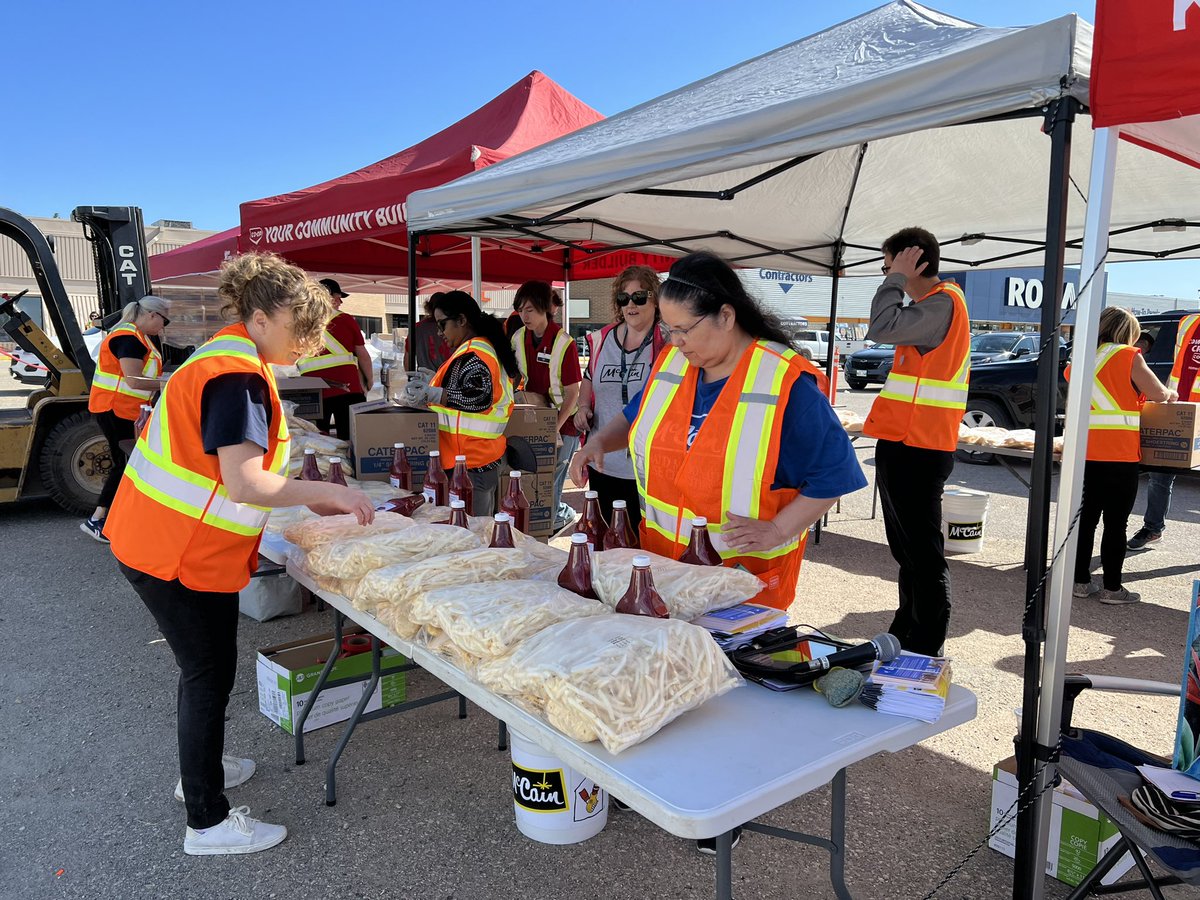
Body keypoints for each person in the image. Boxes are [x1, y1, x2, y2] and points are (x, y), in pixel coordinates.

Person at [570, 252, 865, 852]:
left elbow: (834, 474)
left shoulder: (786, 381)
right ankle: (664, 789)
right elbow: (631, 421)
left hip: (740, 575)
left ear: (726, 316)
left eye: (683, 329)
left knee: (733, 699)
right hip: (663, 566)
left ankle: (728, 808)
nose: (673, 342)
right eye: (668, 330)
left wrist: (781, 528)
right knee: (666, 677)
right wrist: (597, 444)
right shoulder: (675, 367)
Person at [105, 253, 375, 856]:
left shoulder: (225, 357)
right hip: (177, 553)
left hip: (158, 540)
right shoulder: (238, 375)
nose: (311, 342)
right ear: (259, 318)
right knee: (207, 675)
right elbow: (246, 482)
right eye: (301, 329)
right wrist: (328, 492)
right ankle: (206, 821)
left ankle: (200, 772)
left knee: (202, 673)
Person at [862, 227, 970, 657]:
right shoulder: (932, 305)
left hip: (919, 447)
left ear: (912, 261)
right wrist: (897, 277)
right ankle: (906, 631)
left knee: (922, 554)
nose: (885, 273)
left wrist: (895, 279)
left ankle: (925, 644)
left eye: (888, 264)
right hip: (905, 442)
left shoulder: (944, 303)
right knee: (908, 551)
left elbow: (880, 326)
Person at [1068, 307, 1177, 604]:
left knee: (1086, 519)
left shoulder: (1079, 359)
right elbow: (1157, 393)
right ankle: (1113, 590)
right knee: (1116, 523)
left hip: (1084, 453)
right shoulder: (1128, 356)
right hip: (1119, 455)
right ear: (1127, 332)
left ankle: (1079, 582)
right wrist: (1171, 396)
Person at [402, 290, 518, 516]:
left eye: (442, 324)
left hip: (471, 463)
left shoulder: (475, 353)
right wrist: (433, 386)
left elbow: (478, 398)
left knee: (472, 537)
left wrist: (434, 394)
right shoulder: (475, 350)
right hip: (472, 460)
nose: (439, 332)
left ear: (462, 320)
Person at [573, 265, 669, 527]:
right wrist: (582, 407)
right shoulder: (602, 340)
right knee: (605, 541)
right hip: (603, 463)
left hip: (645, 469)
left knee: (642, 548)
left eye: (639, 297)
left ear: (655, 300)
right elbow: (589, 378)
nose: (631, 305)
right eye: (623, 298)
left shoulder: (668, 342)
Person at [80, 294, 171, 541]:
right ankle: (97, 519)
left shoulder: (135, 336)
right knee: (125, 464)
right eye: (165, 321)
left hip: (121, 409)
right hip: (116, 409)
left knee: (129, 463)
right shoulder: (128, 339)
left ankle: (112, 517)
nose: (163, 327)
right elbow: (133, 379)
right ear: (153, 315)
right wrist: (171, 383)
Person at [511, 281, 583, 531]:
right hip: (537, 415)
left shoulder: (564, 342)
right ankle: (554, 514)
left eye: (529, 309)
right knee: (535, 474)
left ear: (544, 308)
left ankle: (552, 521)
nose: (524, 315)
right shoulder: (519, 337)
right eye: (520, 310)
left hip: (565, 421)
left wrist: (555, 427)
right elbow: (516, 377)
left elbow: (574, 392)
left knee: (553, 476)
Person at [1128, 312, 1199, 550]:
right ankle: (1153, 528)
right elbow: (1178, 365)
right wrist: (1166, 396)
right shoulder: (1188, 322)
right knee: (1160, 475)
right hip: (1180, 411)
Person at [297, 278, 373, 440]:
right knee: (350, 440)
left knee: (315, 441)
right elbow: (363, 355)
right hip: (347, 388)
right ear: (325, 297)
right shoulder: (345, 319)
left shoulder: (301, 322)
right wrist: (369, 380)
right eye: (337, 297)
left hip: (311, 392)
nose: (340, 302)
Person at [410, 292, 451, 372]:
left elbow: (408, 357)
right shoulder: (451, 326)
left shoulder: (417, 328)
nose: (439, 333)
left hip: (425, 377)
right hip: (447, 377)